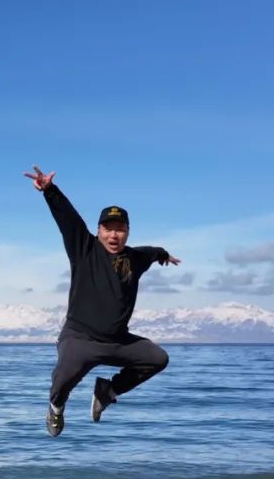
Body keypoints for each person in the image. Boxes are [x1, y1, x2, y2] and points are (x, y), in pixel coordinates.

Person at [24, 165, 180, 437]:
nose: (113, 235)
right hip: (80, 339)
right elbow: (68, 219)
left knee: (157, 358)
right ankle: (56, 408)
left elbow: (153, 251)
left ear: (128, 232)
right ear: (98, 230)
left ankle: (107, 391)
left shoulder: (136, 258)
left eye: (120, 229)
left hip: (118, 341)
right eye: (108, 229)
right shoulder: (84, 249)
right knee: (62, 381)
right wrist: (49, 190)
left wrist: (164, 255)